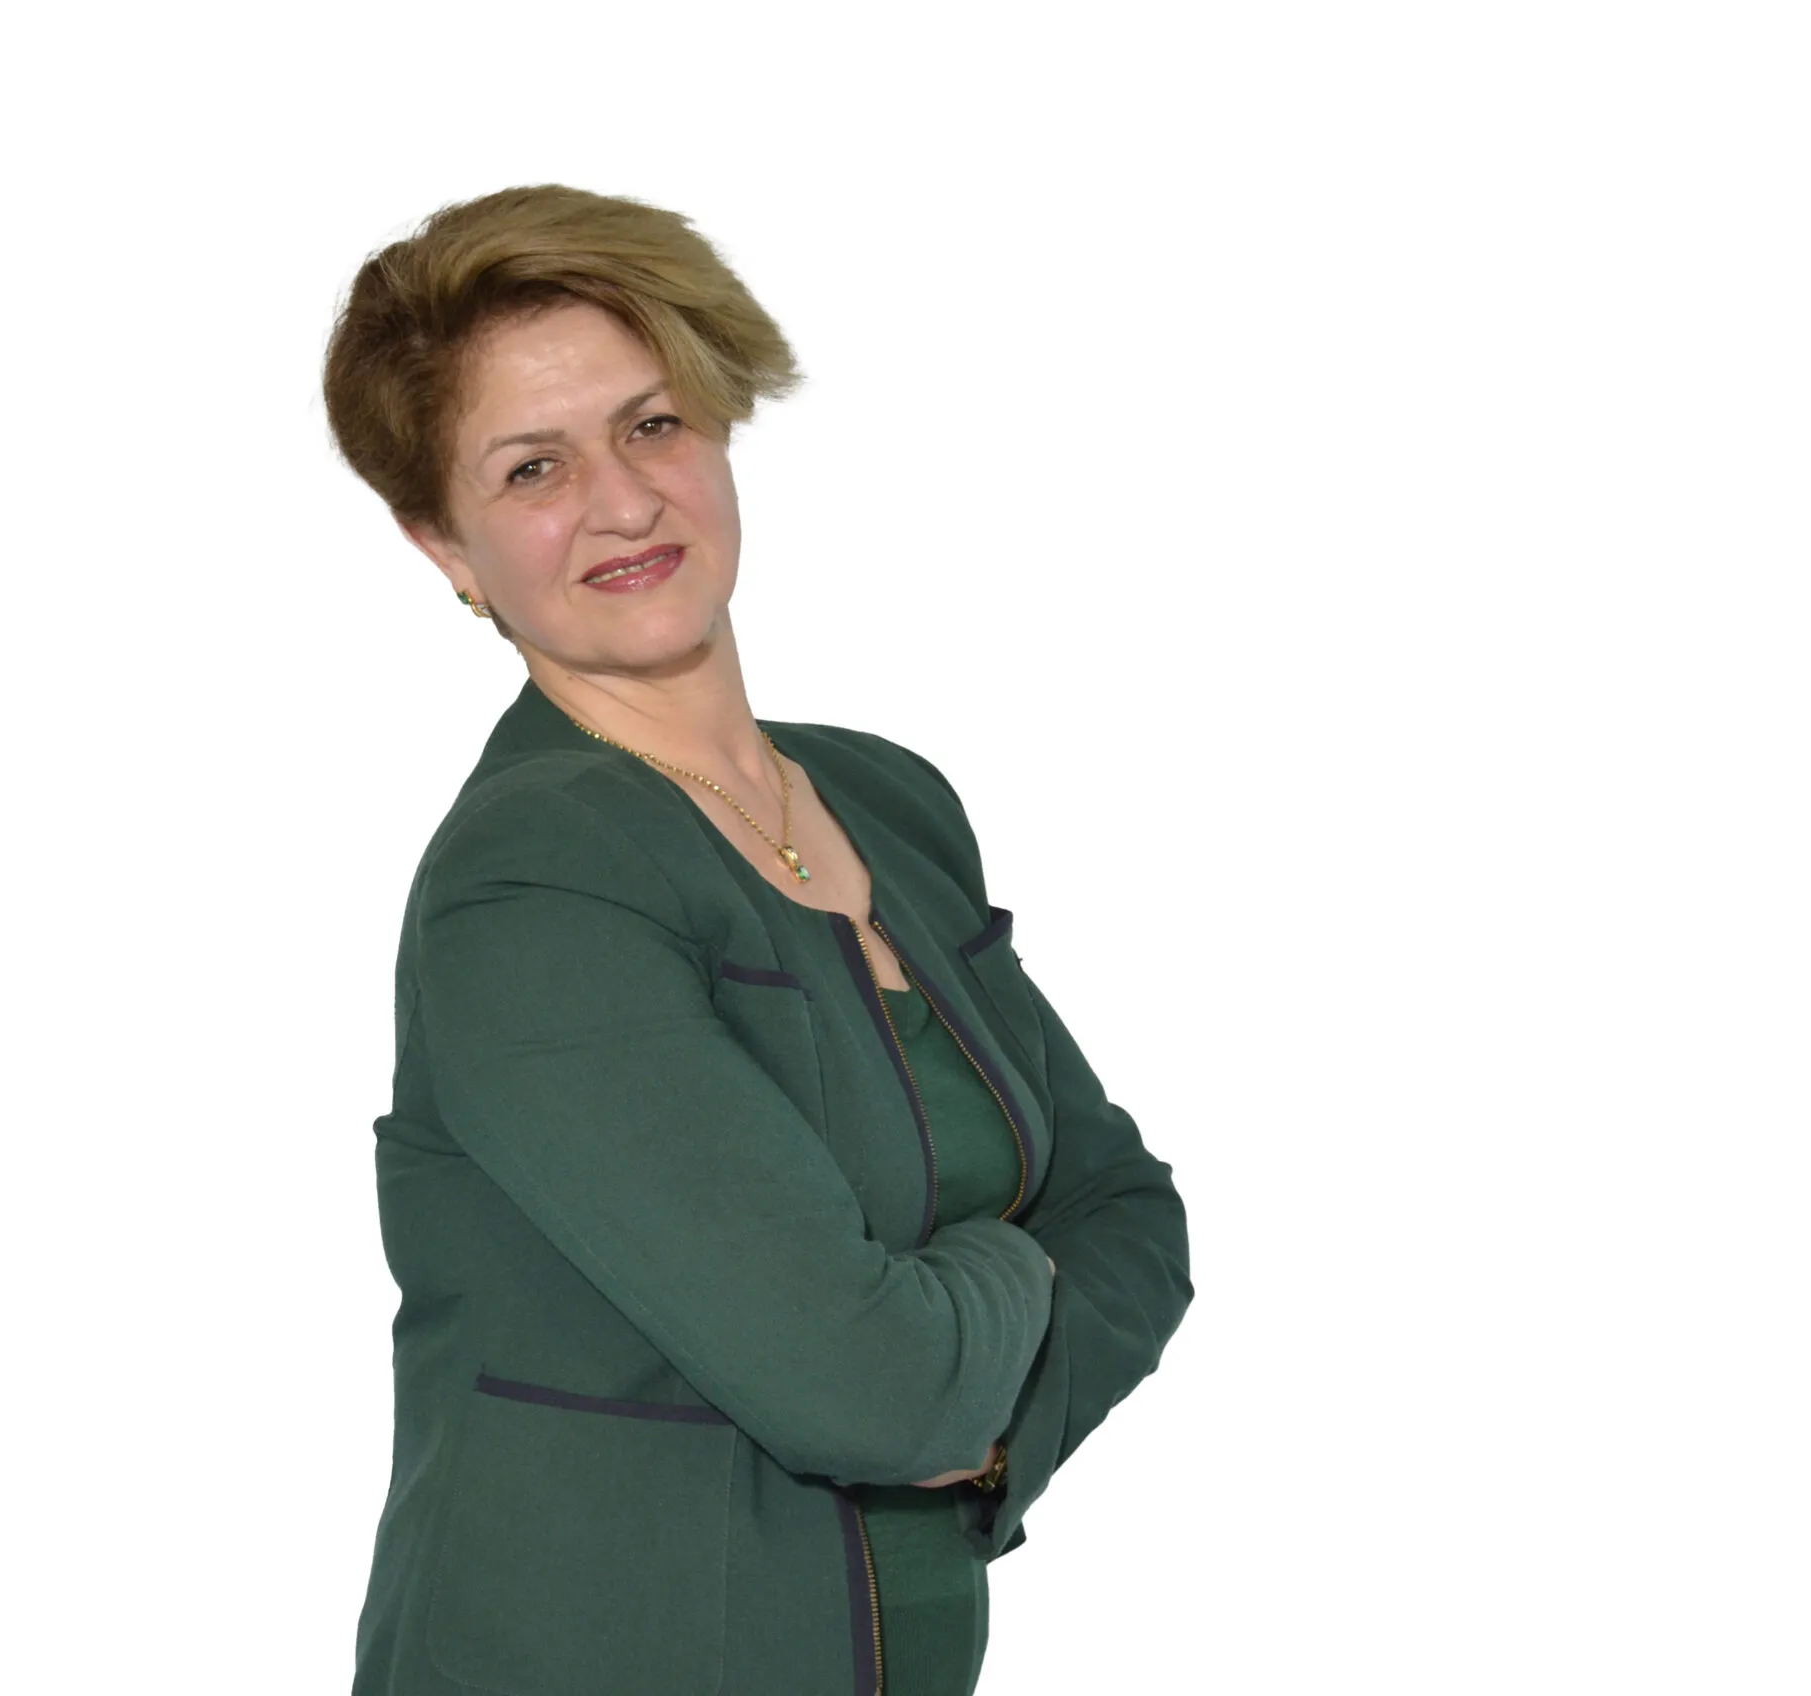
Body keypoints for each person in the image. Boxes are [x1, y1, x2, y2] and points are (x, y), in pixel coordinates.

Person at [323, 183, 1194, 1696]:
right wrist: (1002, 1284)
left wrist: (971, 1406)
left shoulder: (887, 802)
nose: (623, 501)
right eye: (534, 467)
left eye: (652, 426)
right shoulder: (533, 881)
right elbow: (873, 1393)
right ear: (444, 544)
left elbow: (1131, 1216)